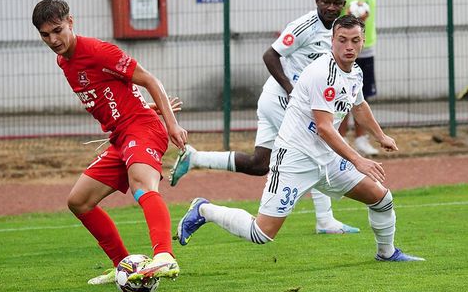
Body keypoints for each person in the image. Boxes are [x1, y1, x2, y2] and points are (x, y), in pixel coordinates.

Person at [176, 15, 425, 263]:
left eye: (355, 41)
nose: (349, 46)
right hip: (295, 158)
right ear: (332, 40)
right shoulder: (322, 74)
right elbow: (325, 128)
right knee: (261, 233)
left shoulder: (354, 71)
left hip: (326, 158)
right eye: (342, 40)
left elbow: (359, 106)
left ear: (362, 42)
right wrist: (358, 160)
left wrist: (381, 136)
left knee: (381, 198)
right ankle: (204, 209)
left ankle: (387, 253)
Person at [170, 0, 360, 234]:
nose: (331, 7)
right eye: (326, 1)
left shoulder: (339, 30)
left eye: (337, 3)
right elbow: (270, 55)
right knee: (315, 146)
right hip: (281, 100)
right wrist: (291, 90)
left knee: (260, 163)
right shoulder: (304, 26)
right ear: (317, 1)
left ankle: (195, 157)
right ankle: (324, 220)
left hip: (283, 102)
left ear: (343, 4)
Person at [32, 0, 188, 285]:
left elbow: (150, 80)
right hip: (122, 135)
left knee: (141, 184)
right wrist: (143, 108)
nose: (53, 40)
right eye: (45, 35)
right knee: (79, 202)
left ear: (71, 22)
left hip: (142, 129)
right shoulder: (63, 60)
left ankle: (165, 256)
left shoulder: (99, 51)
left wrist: (171, 124)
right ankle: (123, 266)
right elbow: (114, 92)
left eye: (57, 30)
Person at [339, 0, 379, 155]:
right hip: (347, 47)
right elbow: (337, 15)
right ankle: (341, 138)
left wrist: (365, 15)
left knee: (362, 96)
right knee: (343, 94)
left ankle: (361, 139)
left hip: (367, 45)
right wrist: (349, 16)